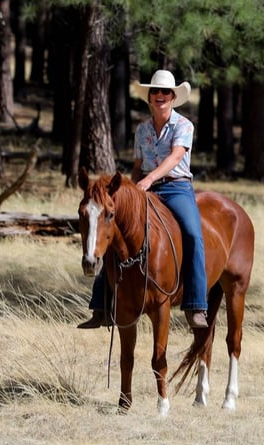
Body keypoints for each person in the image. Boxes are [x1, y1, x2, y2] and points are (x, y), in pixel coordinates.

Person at [78, 70, 209, 330]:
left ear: (173, 97)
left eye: (165, 92)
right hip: (146, 189)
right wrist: (130, 190)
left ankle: (196, 305)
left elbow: (175, 158)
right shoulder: (142, 129)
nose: (160, 95)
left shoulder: (184, 125)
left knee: (193, 234)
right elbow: (138, 166)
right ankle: (101, 304)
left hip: (177, 188)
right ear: (149, 97)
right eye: (155, 92)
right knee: (114, 231)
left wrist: (149, 180)